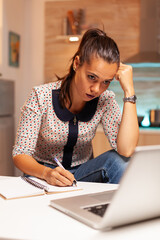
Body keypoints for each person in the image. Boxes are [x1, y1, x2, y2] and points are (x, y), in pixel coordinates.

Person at [12, 28, 139, 187]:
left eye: (106, 81)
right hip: (42, 173)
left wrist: (129, 91)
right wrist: (47, 173)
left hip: (83, 174)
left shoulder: (105, 100)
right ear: (77, 63)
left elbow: (126, 150)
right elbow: (20, 154)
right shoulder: (41, 96)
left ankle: (114, 211)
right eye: (91, 77)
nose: (96, 89)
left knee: (120, 162)